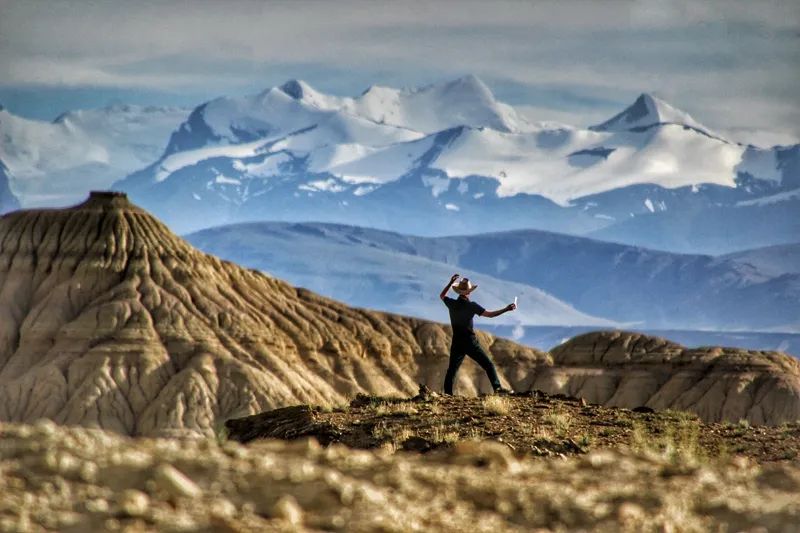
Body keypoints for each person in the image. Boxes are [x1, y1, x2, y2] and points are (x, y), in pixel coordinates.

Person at [439, 273, 516, 395]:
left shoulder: (452, 304)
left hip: (457, 341)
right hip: (470, 341)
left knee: (452, 370)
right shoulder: (471, 306)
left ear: (459, 292)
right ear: (469, 292)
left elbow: (442, 295)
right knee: (488, 365)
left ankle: (448, 395)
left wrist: (450, 283)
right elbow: (490, 315)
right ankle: (497, 389)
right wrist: (506, 309)